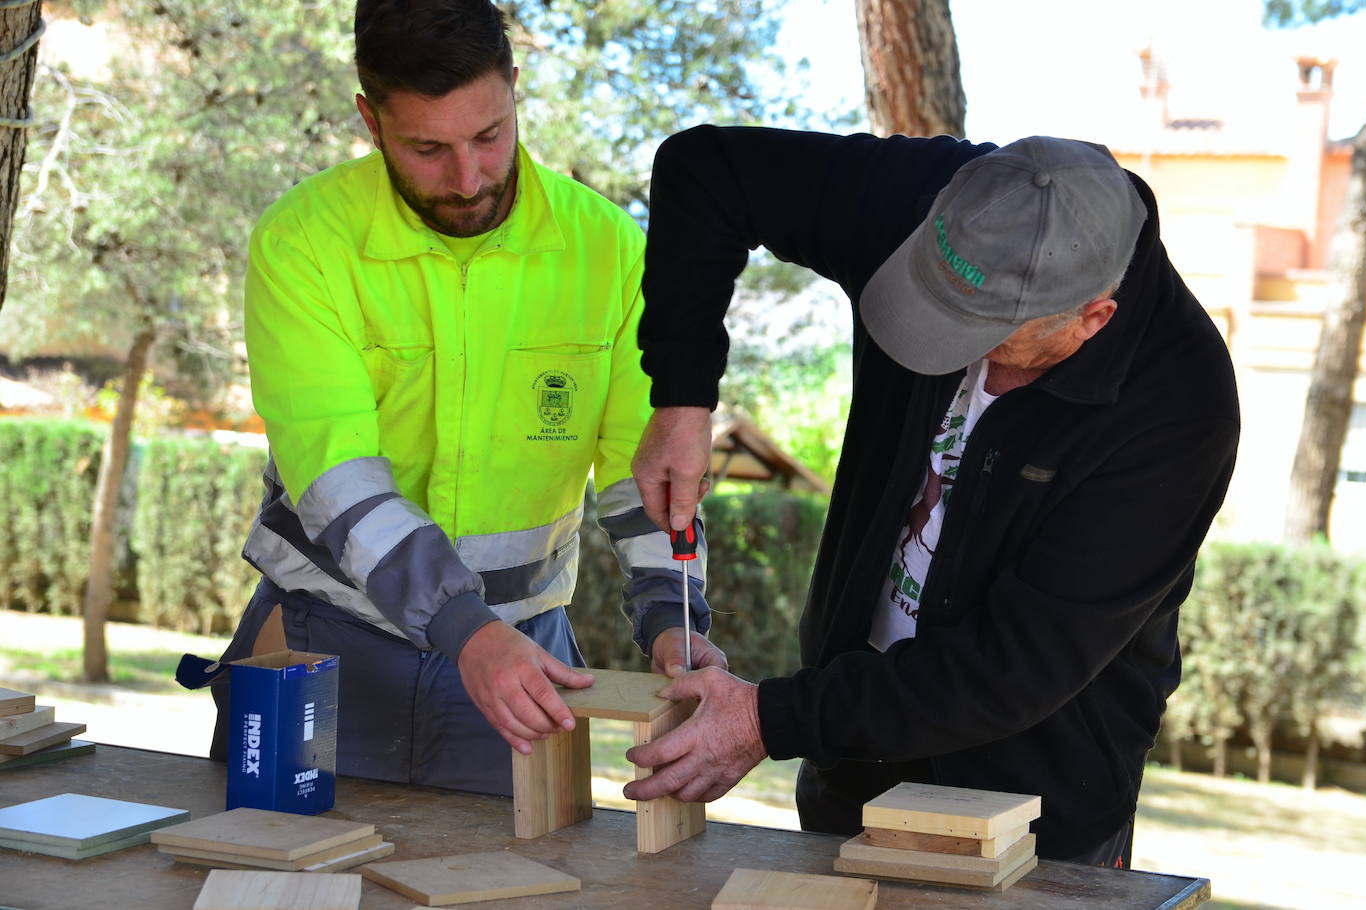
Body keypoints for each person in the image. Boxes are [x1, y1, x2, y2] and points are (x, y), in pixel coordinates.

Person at [623, 126, 1240, 868]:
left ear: (1091, 319)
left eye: (995, 343)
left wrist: (769, 718)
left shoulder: (1178, 403)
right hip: (852, 763)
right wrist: (683, 396)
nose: (968, 368)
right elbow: (705, 168)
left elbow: (1015, 666)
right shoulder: (924, 195)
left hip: (1035, 809)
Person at [208, 0, 724, 797]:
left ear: (515, 89)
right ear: (370, 123)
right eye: (427, 148)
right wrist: (463, 628)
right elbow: (334, 476)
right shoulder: (301, 243)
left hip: (525, 657)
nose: (469, 178)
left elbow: (640, 467)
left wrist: (670, 614)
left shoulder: (613, 250)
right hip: (323, 642)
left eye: (489, 135)